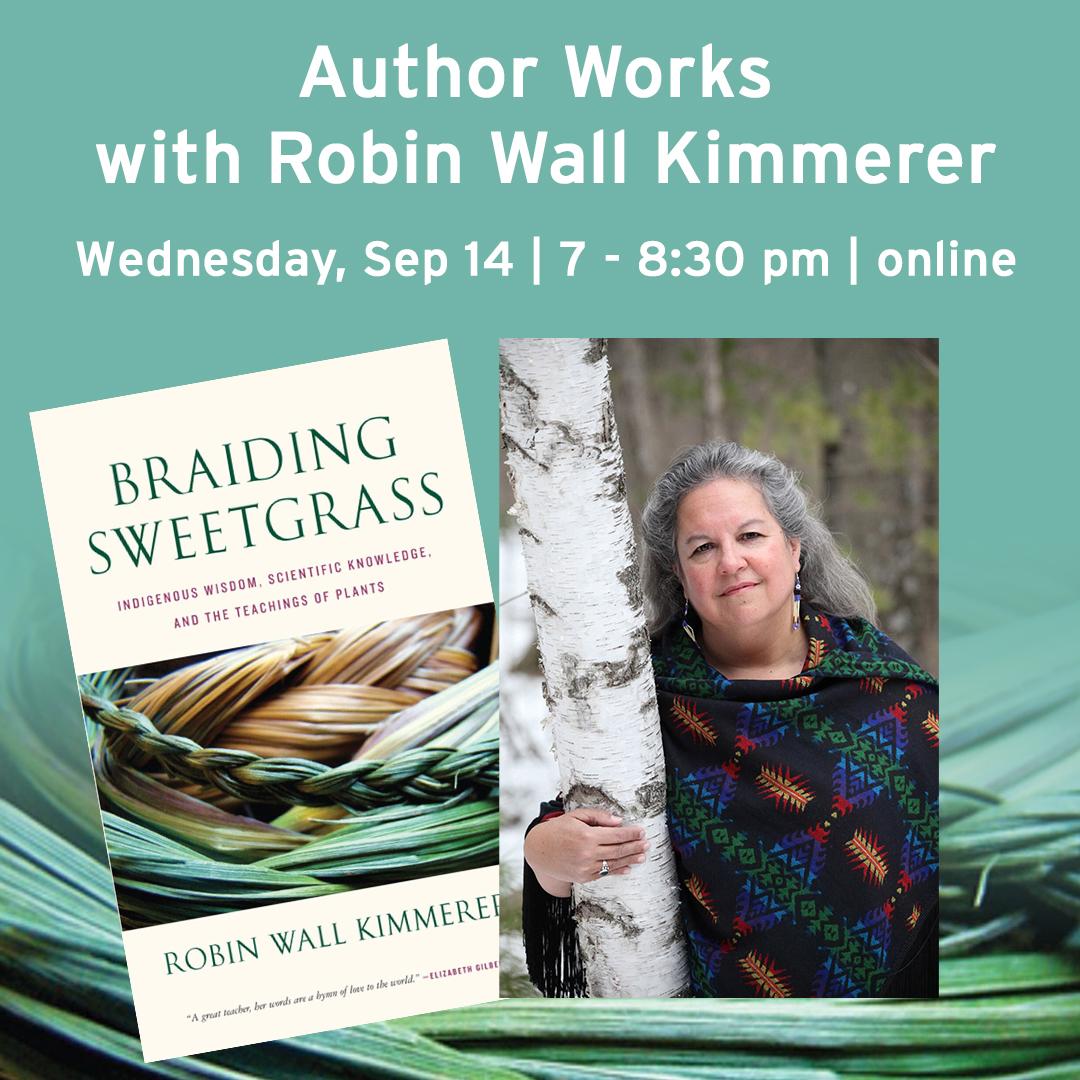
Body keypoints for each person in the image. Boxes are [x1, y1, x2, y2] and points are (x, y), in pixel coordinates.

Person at [522, 441, 938, 998]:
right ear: (679, 574)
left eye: (750, 536)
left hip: (897, 1037)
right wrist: (544, 851)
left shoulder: (886, 689)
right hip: (725, 1043)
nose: (730, 562)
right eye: (702, 548)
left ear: (794, 549)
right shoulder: (642, 698)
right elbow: (577, 834)